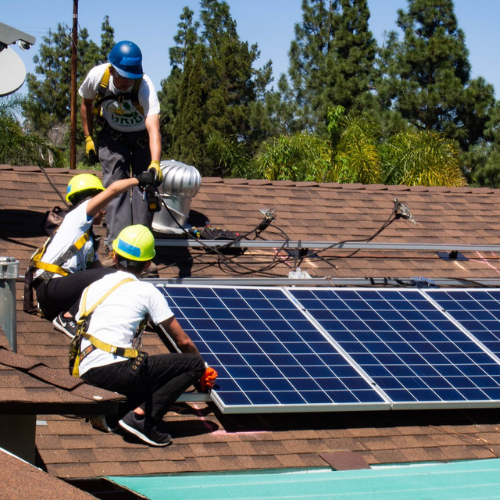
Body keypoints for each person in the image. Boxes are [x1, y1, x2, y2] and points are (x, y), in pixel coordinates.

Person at [71, 225, 217, 447]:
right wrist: (203, 367)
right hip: (116, 371)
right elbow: (183, 341)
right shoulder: (147, 291)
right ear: (148, 264)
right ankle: (142, 417)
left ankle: (116, 410)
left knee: (144, 368)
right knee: (192, 363)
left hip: (85, 371)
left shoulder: (93, 287)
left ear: (114, 255)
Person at [32, 171, 159, 336]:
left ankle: (80, 316)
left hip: (58, 299)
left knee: (115, 279)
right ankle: (67, 318)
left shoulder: (87, 240)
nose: (104, 211)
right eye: (102, 206)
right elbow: (113, 189)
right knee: (114, 277)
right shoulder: (76, 218)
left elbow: (105, 277)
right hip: (51, 287)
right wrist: (138, 180)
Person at [78, 40, 163, 264]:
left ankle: (141, 250)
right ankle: (115, 248)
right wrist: (88, 137)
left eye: (131, 77)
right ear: (112, 69)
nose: (127, 82)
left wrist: (155, 163)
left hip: (142, 139)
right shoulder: (98, 77)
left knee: (146, 188)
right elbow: (86, 104)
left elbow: (154, 129)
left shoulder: (144, 86)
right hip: (112, 138)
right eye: (123, 76)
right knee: (115, 189)